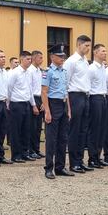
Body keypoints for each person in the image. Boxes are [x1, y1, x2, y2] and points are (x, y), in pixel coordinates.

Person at [42, 45, 72, 179]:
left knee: (63, 138)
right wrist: (47, 111)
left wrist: (69, 110)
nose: (62, 58)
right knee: (51, 139)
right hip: (53, 105)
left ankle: (60, 167)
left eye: (63, 56)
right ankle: (49, 168)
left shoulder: (64, 71)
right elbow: (44, 92)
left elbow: (66, 92)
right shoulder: (48, 72)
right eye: (60, 56)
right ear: (52, 57)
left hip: (63, 104)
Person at [64, 35, 93, 173]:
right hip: (75, 96)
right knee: (75, 130)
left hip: (85, 96)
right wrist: (68, 105)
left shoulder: (85, 61)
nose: (88, 49)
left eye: (89, 46)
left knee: (83, 130)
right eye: (86, 46)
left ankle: (80, 160)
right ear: (79, 44)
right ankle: (73, 163)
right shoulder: (71, 61)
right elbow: (66, 83)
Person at [7, 51, 39, 163]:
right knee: (16, 131)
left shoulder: (29, 73)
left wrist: (33, 105)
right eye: (27, 59)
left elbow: (30, 90)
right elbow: (9, 89)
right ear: (21, 59)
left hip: (26, 103)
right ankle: (16, 155)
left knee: (26, 130)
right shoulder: (14, 73)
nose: (29, 61)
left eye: (30, 59)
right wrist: (8, 103)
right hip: (16, 104)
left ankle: (25, 153)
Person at [87, 44, 108, 168]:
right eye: (102, 51)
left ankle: (98, 156)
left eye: (106, 51)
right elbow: (88, 86)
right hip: (94, 98)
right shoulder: (91, 69)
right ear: (95, 53)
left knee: (102, 129)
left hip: (103, 98)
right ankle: (92, 158)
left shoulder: (102, 68)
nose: (105, 53)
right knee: (94, 130)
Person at [28, 50, 46, 159]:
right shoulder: (29, 71)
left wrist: (43, 102)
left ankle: (36, 149)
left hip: (40, 98)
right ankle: (30, 150)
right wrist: (34, 105)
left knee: (38, 127)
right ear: (34, 58)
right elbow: (29, 89)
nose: (42, 60)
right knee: (32, 127)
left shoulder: (40, 71)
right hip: (32, 99)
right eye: (40, 58)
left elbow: (42, 88)